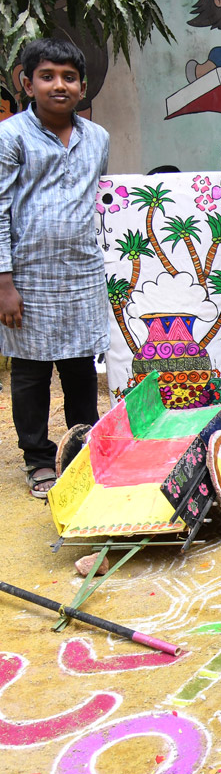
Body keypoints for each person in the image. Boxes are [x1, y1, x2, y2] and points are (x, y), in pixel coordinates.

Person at [0, 38, 109, 498]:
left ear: (82, 87)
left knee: (80, 367)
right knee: (30, 372)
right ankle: (39, 459)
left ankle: (82, 448)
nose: (58, 85)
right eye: (47, 76)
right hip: (27, 277)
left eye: (68, 77)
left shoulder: (98, 138)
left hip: (82, 274)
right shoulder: (11, 136)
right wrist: (4, 282)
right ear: (27, 83)